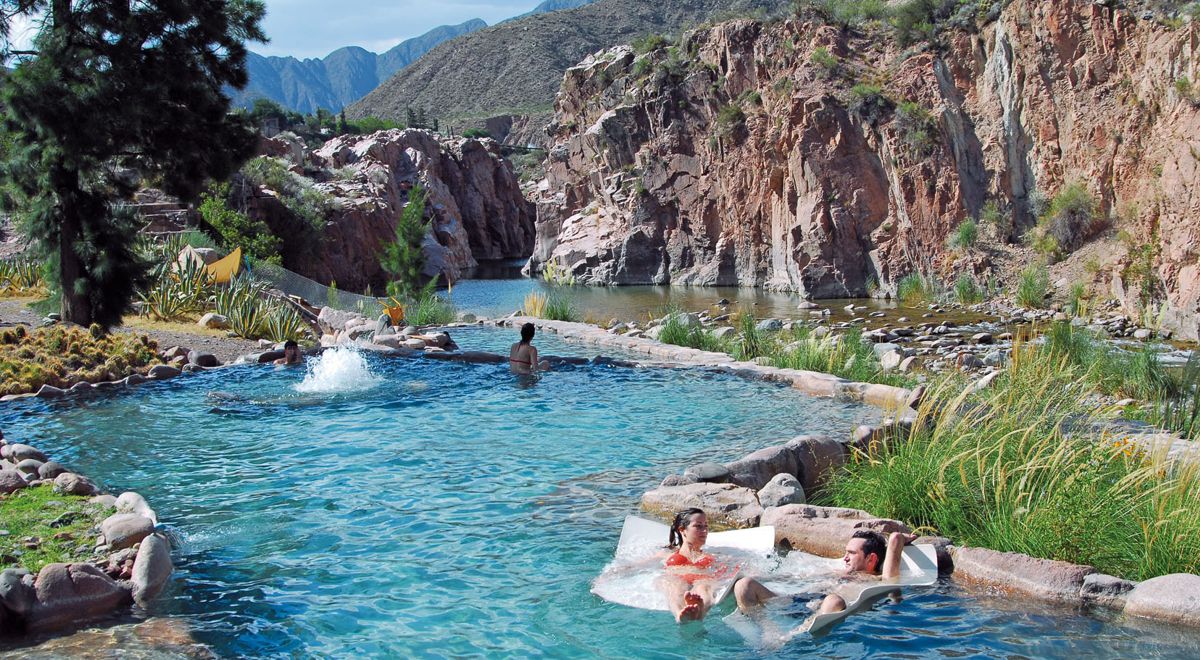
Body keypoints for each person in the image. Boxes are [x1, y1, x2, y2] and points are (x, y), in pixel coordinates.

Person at [733, 530, 918, 615]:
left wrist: (899, 538)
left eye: (851, 553)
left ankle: (789, 638)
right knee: (744, 585)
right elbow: (796, 578)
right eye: (845, 552)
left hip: (826, 610)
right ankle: (766, 630)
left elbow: (894, 538)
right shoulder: (836, 571)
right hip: (798, 602)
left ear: (871, 559)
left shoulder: (878, 580)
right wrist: (761, 577)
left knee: (834, 600)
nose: (845, 558)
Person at [658, 508, 738, 623]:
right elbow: (638, 565)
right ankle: (680, 614)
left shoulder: (713, 555)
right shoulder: (666, 554)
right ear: (682, 530)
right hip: (676, 578)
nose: (704, 530)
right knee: (675, 586)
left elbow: (735, 567)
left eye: (706, 526)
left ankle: (700, 612)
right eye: (698, 526)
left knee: (703, 587)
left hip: (702, 579)